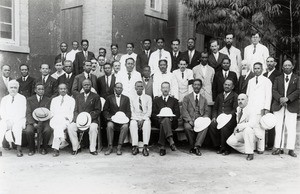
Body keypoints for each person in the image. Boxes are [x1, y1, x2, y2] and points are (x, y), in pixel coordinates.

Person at [272, 59, 299, 157]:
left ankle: (291, 149)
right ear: (282, 67)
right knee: (278, 127)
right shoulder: (277, 78)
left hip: (291, 105)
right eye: (285, 65)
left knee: (291, 127)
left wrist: (288, 99)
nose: (287, 67)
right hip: (279, 105)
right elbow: (274, 90)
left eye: (289, 65)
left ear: (292, 67)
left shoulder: (297, 78)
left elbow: (298, 91)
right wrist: (280, 99)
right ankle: (279, 147)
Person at [68, 79, 101, 155]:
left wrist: (88, 118)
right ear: (82, 86)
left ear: (91, 86)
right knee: (71, 127)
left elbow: (98, 110)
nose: (86, 86)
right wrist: (77, 119)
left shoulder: (96, 96)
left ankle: (92, 149)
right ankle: (76, 147)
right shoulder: (78, 96)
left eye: (88, 84)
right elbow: (75, 110)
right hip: (79, 120)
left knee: (93, 128)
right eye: (85, 85)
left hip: (92, 120)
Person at [246, 62, 272, 154]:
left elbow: (268, 96)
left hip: (261, 108)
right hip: (251, 107)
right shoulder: (250, 81)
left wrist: (266, 108)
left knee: (261, 128)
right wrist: (247, 108)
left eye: (258, 68)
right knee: (252, 127)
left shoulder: (266, 81)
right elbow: (247, 95)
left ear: (262, 69)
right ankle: (252, 147)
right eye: (255, 68)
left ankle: (261, 148)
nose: (257, 70)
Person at [226, 94, 260, 160]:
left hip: (253, 133)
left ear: (247, 100)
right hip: (242, 132)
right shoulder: (238, 109)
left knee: (247, 129)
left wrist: (239, 126)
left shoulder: (252, 109)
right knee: (230, 141)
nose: (240, 101)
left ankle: (250, 153)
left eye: (242, 99)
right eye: (238, 100)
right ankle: (248, 148)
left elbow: (252, 123)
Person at [209, 79, 238, 155]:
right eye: (225, 84)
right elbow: (215, 108)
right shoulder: (219, 95)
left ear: (232, 87)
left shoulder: (235, 96)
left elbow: (235, 109)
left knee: (224, 128)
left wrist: (228, 116)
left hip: (230, 118)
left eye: (229, 85)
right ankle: (218, 145)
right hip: (219, 118)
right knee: (212, 125)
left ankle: (226, 148)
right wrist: (214, 117)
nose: (227, 86)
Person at [182, 79, 210, 156]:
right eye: (195, 84)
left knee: (205, 127)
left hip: (199, 120)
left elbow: (206, 112)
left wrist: (202, 120)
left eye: (198, 85)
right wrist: (189, 120)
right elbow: (184, 110)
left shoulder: (204, 99)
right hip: (189, 119)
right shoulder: (187, 97)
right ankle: (191, 146)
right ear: (192, 86)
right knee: (187, 127)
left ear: (201, 86)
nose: (197, 86)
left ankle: (197, 146)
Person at [151, 82, 180, 156]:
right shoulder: (156, 100)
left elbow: (177, 114)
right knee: (164, 121)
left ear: (169, 89)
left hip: (172, 122)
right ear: (161, 89)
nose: (165, 89)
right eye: (163, 88)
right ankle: (170, 140)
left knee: (165, 121)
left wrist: (171, 118)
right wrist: (159, 117)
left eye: (167, 88)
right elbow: (153, 114)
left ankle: (162, 147)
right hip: (159, 121)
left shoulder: (174, 100)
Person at [24, 83, 52, 156]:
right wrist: (33, 123)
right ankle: (31, 149)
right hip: (33, 121)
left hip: (45, 121)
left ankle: (44, 148)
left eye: (42, 89)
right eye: (39, 89)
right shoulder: (30, 99)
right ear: (35, 90)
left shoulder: (48, 99)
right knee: (29, 131)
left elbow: (49, 112)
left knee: (48, 130)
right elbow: (28, 113)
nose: (41, 91)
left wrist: (43, 121)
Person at [103, 82, 131, 155]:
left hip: (122, 120)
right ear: (114, 89)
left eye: (120, 88)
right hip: (113, 120)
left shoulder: (126, 98)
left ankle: (119, 147)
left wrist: (126, 119)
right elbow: (105, 110)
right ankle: (110, 146)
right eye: (117, 87)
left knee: (125, 126)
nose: (119, 89)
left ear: (122, 89)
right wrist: (109, 118)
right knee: (109, 126)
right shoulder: (109, 98)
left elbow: (128, 111)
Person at [0, 80, 26, 157]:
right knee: (1, 126)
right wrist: (8, 120)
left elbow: (22, 112)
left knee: (17, 127)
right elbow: (2, 112)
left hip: (19, 119)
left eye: (15, 87)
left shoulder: (22, 98)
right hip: (7, 119)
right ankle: (0, 148)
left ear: (18, 89)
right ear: (8, 89)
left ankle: (18, 148)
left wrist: (13, 121)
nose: (13, 89)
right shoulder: (4, 99)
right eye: (11, 87)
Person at [50, 83, 75, 157]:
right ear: (58, 90)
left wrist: (68, 118)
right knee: (58, 125)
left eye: (64, 89)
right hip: (55, 120)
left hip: (65, 120)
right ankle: (63, 140)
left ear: (67, 90)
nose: (63, 90)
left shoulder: (71, 100)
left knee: (58, 127)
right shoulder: (54, 100)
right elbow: (52, 112)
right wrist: (54, 117)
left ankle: (56, 149)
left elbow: (72, 112)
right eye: (61, 89)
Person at [263, 56, 281, 150]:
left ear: (275, 63)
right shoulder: (264, 74)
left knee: (271, 123)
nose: (269, 63)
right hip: (264, 100)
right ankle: (262, 144)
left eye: (271, 61)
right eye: (268, 62)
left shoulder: (278, 74)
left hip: (274, 101)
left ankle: (270, 144)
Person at [129, 81, 152, 156]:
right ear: (135, 88)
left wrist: (143, 119)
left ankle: (145, 146)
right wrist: (137, 119)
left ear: (143, 88)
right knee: (132, 124)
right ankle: (135, 146)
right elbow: (131, 110)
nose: (139, 88)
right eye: (138, 86)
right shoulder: (131, 97)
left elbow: (149, 111)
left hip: (145, 117)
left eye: (141, 86)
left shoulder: (148, 97)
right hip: (135, 117)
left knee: (147, 124)